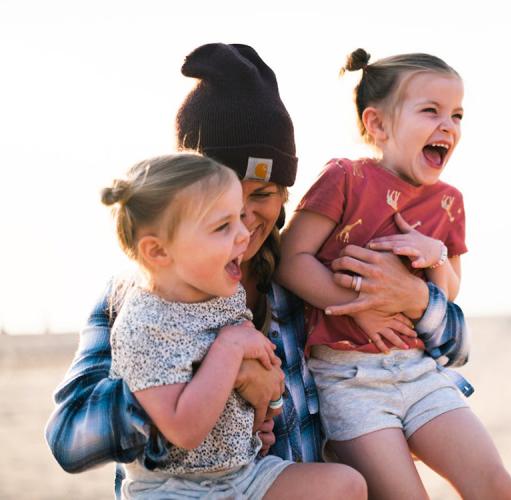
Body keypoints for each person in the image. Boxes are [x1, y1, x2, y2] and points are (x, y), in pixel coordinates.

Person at [45, 43, 470, 499]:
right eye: (223, 199)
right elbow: (71, 439)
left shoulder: (304, 278)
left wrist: (417, 299)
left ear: (286, 196)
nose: (245, 217)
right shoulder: (137, 293)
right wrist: (217, 377)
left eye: (263, 192)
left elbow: (453, 352)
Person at [276, 49, 511, 499]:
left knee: (495, 484)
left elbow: (448, 293)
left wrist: (436, 255)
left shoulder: (449, 201)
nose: (449, 126)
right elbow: (291, 259)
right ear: (378, 125)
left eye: (458, 115)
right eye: (431, 111)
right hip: (349, 379)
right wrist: (358, 307)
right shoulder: (345, 178)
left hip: (418, 371)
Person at [100, 153, 297, 498]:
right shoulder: (143, 325)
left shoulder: (223, 294)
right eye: (223, 226)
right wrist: (230, 348)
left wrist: (260, 419)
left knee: (347, 485)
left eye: (238, 219)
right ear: (158, 252)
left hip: (240, 473)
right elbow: (185, 430)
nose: (242, 234)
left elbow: (261, 374)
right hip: (176, 488)